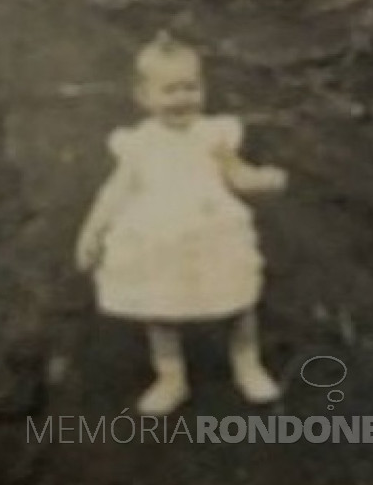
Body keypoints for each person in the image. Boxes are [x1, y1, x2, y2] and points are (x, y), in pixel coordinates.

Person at [76, 30, 288, 415]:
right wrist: (92, 231)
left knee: (238, 298)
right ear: (143, 96)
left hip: (214, 231)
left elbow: (238, 176)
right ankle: (171, 377)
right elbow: (115, 192)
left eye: (190, 88)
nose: (181, 99)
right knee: (161, 306)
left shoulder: (215, 135)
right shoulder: (138, 144)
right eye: (169, 90)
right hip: (160, 238)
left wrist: (263, 180)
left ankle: (247, 364)